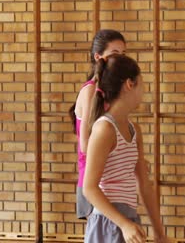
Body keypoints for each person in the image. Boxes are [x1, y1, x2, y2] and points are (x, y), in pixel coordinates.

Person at [82, 54, 169, 243]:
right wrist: (123, 223)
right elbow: (89, 188)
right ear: (130, 84)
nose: (144, 90)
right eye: (142, 84)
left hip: (128, 220)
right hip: (107, 223)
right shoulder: (104, 128)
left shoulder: (134, 130)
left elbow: (144, 185)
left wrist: (159, 233)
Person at [68, 29, 126, 219]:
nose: (120, 60)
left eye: (123, 54)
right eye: (114, 54)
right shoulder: (90, 91)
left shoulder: (110, 91)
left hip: (111, 179)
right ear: (98, 56)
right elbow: (85, 144)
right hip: (94, 180)